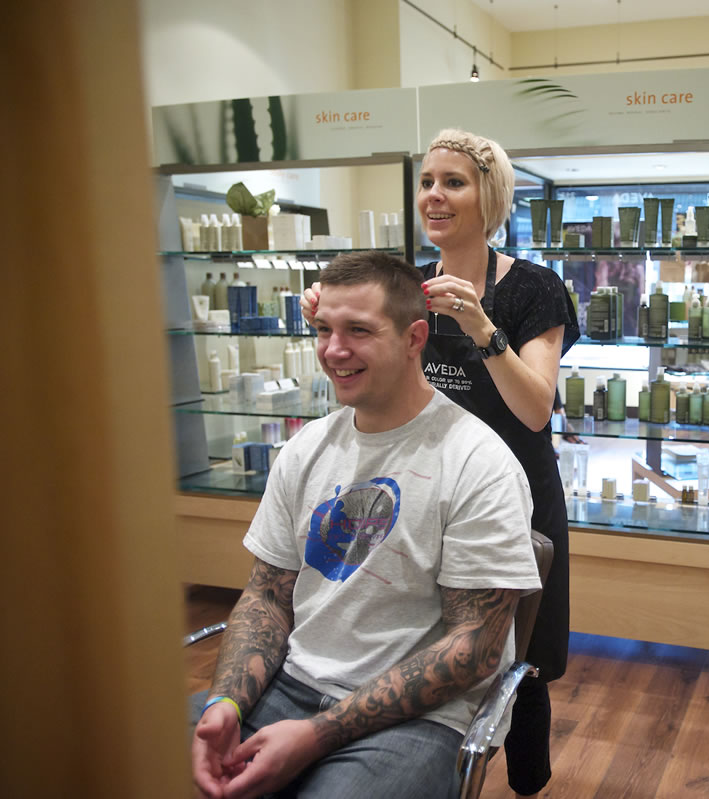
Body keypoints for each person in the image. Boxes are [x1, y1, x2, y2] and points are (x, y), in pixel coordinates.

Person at [192, 251, 542, 799]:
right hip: (290, 685)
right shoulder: (307, 447)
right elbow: (266, 595)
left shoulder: (478, 461)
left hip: (416, 719)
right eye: (324, 329)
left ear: (414, 338)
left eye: (358, 330)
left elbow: (472, 648)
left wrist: (315, 735)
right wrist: (226, 703)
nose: (334, 351)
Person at [304, 129, 579, 798]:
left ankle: (527, 783)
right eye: (427, 181)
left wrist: (484, 331)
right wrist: (332, 318)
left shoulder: (535, 290)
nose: (434, 195)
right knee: (437, 643)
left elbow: (536, 408)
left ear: (491, 197)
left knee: (523, 657)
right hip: (427, 490)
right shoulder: (407, 286)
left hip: (517, 495)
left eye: (453, 182)